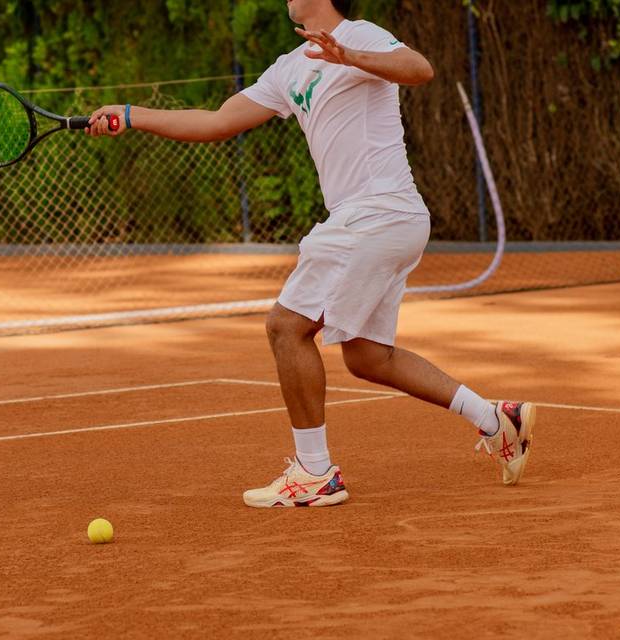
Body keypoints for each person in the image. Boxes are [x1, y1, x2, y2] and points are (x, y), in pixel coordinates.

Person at [86, 0, 535, 507]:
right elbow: (216, 122)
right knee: (367, 357)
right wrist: (131, 115)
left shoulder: (360, 34)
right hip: (387, 219)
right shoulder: (289, 67)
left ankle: (315, 473)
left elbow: (419, 68)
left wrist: (350, 57)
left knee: (285, 326)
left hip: (376, 211)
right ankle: (495, 418)